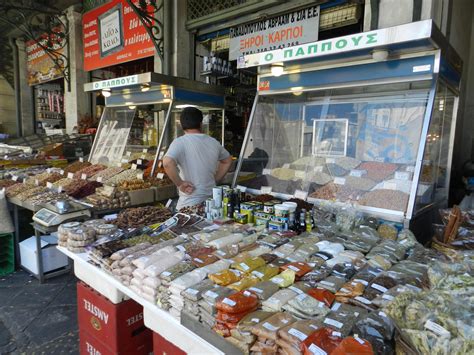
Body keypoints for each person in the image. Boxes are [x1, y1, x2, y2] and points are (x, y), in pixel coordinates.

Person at [163, 107, 232, 210]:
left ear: (181, 125)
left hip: (189, 205)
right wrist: (215, 179)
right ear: (201, 124)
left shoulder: (180, 142)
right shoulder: (213, 142)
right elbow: (227, 160)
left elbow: (167, 163)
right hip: (212, 204)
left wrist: (180, 184)